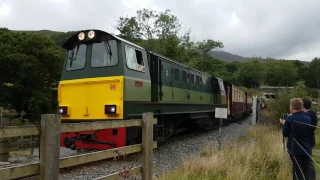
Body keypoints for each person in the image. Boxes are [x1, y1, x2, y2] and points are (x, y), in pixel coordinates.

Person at [280, 98, 313, 180]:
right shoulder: (308, 118)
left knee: (297, 173)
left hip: (295, 149)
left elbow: (285, 134)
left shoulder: (290, 118)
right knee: (306, 172)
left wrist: (284, 124)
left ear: (292, 107)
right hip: (306, 148)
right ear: (301, 107)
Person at [302, 98, 317, 180]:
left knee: (308, 161)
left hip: (308, 140)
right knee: (305, 160)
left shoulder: (310, 114)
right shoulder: (307, 114)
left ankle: (311, 178)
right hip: (306, 139)